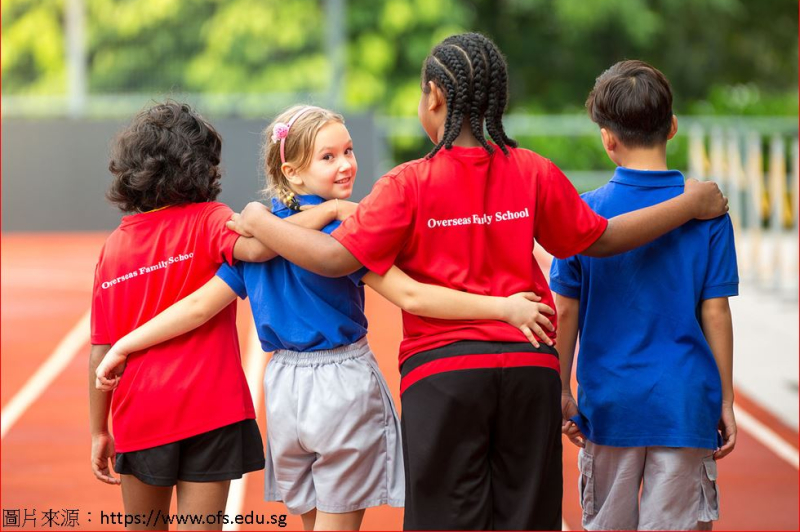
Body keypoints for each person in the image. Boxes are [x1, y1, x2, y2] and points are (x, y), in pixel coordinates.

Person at [223, 33, 728, 531]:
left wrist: (260, 220)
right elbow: (601, 239)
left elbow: (335, 258)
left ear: (435, 98)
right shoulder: (532, 170)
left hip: (443, 379)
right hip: (529, 371)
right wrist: (689, 203)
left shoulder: (407, 183)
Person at [96, 104, 555, 531]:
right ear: (291, 170)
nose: (346, 164)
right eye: (329, 156)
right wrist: (503, 306)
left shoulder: (252, 234)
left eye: (349, 151)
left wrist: (124, 344)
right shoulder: (343, 233)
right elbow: (411, 295)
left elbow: (200, 305)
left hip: (284, 390)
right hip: (341, 382)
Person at [89, 101, 349, 531]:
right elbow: (265, 245)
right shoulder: (211, 221)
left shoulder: (113, 248)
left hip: (141, 413)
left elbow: (101, 348)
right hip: (212, 411)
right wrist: (332, 211)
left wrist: (99, 429)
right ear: (201, 164)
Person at [551, 60, 738, 531]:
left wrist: (559, 389)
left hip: (609, 403)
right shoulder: (708, 210)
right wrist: (726, 400)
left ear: (607, 139)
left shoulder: (585, 212)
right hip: (684, 401)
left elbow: (564, 310)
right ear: (672, 127)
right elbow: (715, 310)